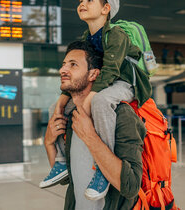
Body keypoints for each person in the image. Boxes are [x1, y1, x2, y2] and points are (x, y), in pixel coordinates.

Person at [40, 0, 151, 201]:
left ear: (105, 8)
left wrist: (90, 98)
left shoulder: (117, 35)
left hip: (127, 82)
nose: (82, 3)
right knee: (55, 107)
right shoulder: (87, 37)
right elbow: (90, 71)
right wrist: (62, 102)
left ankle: (102, 168)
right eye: (81, 1)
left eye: (89, 0)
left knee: (100, 102)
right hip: (107, 83)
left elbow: (110, 69)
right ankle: (60, 163)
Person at [44, 40, 146, 209]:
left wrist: (90, 136)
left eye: (73, 65)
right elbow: (67, 179)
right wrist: (48, 142)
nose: (63, 70)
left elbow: (130, 186)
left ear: (93, 75)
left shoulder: (120, 115)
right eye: (63, 65)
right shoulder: (70, 116)